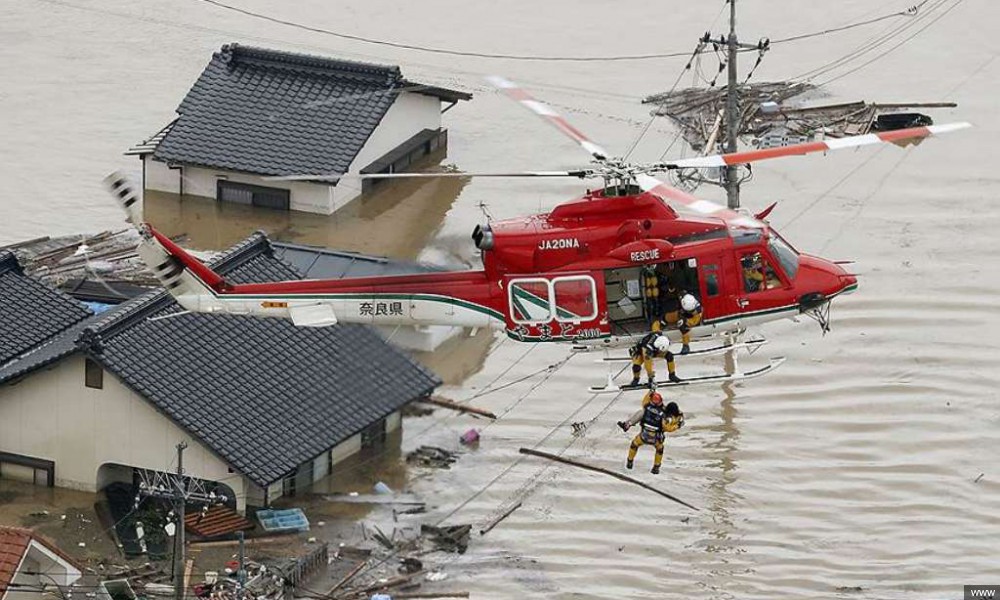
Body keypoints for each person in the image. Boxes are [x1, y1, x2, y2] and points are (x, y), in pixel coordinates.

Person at [617, 391, 684, 474]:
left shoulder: (646, 407)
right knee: (660, 450)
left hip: (643, 436)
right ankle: (656, 467)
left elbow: (644, 400)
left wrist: (651, 392)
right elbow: (668, 428)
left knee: (634, 445)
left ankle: (630, 461)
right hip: (656, 439)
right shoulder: (665, 415)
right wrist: (678, 425)